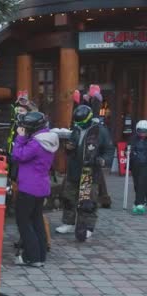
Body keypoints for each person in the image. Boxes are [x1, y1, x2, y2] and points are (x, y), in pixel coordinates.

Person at [55, 105, 114, 241]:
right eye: (77, 122)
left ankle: (87, 227)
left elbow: (109, 150)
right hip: (74, 169)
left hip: (90, 171)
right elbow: (71, 146)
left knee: (87, 201)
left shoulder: (100, 131)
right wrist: (68, 148)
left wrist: (103, 160)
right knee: (69, 196)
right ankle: (68, 222)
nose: (78, 125)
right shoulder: (75, 129)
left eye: (81, 123)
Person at [12, 112, 58, 267]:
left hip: (29, 187)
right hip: (41, 186)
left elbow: (18, 155)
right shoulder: (46, 139)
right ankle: (40, 255)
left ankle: (32, 256)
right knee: (36, 220)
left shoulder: (36, 143)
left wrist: (19, 138)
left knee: (24, 222)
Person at [129, 120, 147, 215]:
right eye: (141, 131)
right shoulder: (133, 139)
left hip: (145, 165)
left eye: (145, 131)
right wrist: (128, 152)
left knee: (141, 183)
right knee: (137, 184)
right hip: (135, 164)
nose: (143, 133)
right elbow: (128, 148)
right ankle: (141, 200)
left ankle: (139, 203)